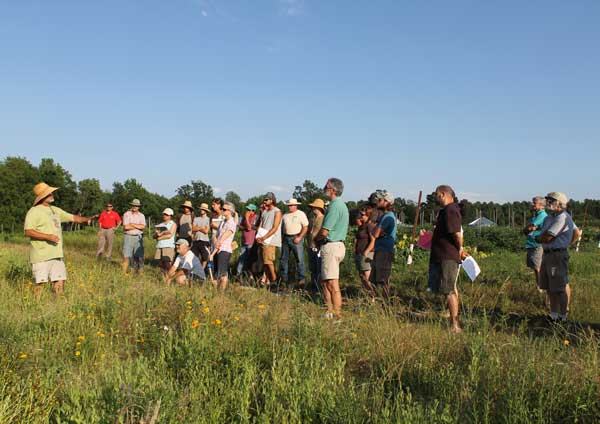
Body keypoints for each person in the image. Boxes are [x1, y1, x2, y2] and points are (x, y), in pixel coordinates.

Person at [24, 182, 94, 298]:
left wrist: (86, 219)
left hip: (56, 254)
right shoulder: (34, 211)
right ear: (43, 197)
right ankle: (35, 306)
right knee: (40, 284)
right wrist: (48, 236)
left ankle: (58, 305)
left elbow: (72, 217)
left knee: (60, 281)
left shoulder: (55, 210)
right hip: (41, 255)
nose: (52, 194)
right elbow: (28, 231)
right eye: (49, 193)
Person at [538, 192, 581, 322]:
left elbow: (547, 237)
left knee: (559, 287)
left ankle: (563, 317)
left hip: (557, 255)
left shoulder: (563, 217)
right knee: (550, 287)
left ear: (560, 204)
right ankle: (553, 315)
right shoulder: (549, 218)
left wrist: (567, 243)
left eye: (552, 200)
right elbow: (544, 236)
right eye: (548, 200)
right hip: (547, 254)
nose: (548, 203)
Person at [429, 185, 465, 333]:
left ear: (443, 194)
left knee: (449, 290)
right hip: (442, 256)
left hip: (448, 257)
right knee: (445, 289)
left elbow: (457, 234)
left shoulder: (451, 210)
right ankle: (451, 318)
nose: (436, 197)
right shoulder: (445, 211)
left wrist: (460, 249)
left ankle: (455, 326)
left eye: (437, 195)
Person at [315, 178, 349, 319]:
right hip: (337, 245)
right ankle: (330, 310)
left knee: (332, 282)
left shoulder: (335, 206)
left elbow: (324, 231)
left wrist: (314, 240)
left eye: (326, 186)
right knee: (326, 281)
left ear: (333, 190)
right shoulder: (341, 205)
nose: (324, 188)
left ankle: (337, 313)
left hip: (332, 245)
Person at [370, 190, 397, 299]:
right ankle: (379, 302)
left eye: (380, 200)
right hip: (381, 249)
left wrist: (375, 228)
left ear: (387, 202)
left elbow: (375, 233)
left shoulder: (387, 217)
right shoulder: (384, 216)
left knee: (383, 279)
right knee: (376, 279)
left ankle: (385, 303)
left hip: (384, 251)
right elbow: (375, 232)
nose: (378, 201)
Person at [280, 198, 309, 287]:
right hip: (286, 237)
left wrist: (300, 237)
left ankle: (301, 280)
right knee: (283, 259)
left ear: (296, 205)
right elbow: (282, 228)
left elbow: (305, 227)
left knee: (299, 260)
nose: (290, 207)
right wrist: (282, 238)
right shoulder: (285, 215)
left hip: (296, 237)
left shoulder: (301, 214)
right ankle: (283, 280)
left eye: (291, 205)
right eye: (289, 205)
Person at [255, 192, 283, 285]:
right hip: (263, 239)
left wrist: (264, 237)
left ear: (272, 200)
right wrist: (258, 237)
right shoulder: (264, 212)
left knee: (268, 261)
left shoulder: (277, 211)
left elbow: (275, 227)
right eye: (264, 199)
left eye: (266, 199)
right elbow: (261, 226)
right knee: (265, 262)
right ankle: (269, 281)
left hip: (271, 240)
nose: (265, 201)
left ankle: (275, 280)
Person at [523, 196, 548, 291]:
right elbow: (529, 229)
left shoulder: (542, 215)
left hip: (537, 245)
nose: (532, 204)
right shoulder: (536, 215)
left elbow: (529, 228)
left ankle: (541, 288)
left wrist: (526, 229)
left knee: (538, 268)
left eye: (534, 203)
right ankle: (539, 286)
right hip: (533, 244)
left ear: (542, 205)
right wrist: (527, 229)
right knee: (535, 267)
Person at [353, 207, 376, 299]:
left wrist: (366, 251)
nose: (361, 216)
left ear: (368, 216)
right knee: (362, 276)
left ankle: (372, 296)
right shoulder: (362, 226)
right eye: (360, 214)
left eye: (363, 215)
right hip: (359, 253)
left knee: (367, 277)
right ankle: (367, 295)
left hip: (366, 254)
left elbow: (373, 240)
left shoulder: (369, 226)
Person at [214, 201, 237, 290]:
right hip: (218, 249)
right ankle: (218, 292)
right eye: (222, 209)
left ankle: (221, 293)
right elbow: (216, 235)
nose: (222, 210)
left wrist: (213, 252)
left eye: (224, 209)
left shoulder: (231, 223)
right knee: (218, 273)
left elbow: (222, 238)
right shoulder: (223, 221)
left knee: (222, 273)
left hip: (224, 250)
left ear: (230, 211)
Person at [122, 199, 146, 274]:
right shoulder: (126, 214)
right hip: (128, 236)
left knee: (139, 256)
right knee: (126, 255)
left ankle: (138, 272)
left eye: (136, 205)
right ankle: (123, 273)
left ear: (139, 207)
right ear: (131, 205)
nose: (134, 207)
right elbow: (126, 227)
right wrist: (137, 226)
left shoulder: (142, 215)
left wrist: (132, 224)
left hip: (138, 237)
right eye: (133, 205)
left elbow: (143, 227)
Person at [307, 198, 326, 290]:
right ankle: (313, 285)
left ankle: (319, 287)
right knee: (312, 267)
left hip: (319, 246)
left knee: (319, 268)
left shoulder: (324, 219)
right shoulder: (312, 218)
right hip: (310, 245)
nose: (313, 208)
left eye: (314, 207)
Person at [236, 203, 258, 277]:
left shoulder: (255, 217)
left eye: (249, 210)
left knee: (248, 260)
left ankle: (248, 276)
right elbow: (241, 227)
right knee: (241, 259)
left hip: (251, 242)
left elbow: (249, 227)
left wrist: (247, 218)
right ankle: (238, 274)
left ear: (253, 211)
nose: (247, 211)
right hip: (244, 241)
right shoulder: (244, 218)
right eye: (247, 209)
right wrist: (242, 226)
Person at [153, 208, 177, 273]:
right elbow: (154, 236)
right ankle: (164, 278)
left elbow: (170, 235)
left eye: (166, 214)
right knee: (160, 264)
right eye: (164, 214)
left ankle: (170, 277)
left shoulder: (173, 224)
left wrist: (160, 237)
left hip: (168, 246)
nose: (164, 215)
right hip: (160, 246)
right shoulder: (160, 225)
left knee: (167, 264)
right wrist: (157, 235)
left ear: (170, 216)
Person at [192, 203, 211, 269]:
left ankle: (202, 271)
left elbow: (206, 231)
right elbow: (193, 229)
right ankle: (195, 271)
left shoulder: (208, 219)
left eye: (203, 209)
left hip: (204, 241)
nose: (201, 210)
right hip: (196, 240)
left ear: (206, 210)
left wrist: (198, 228)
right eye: (201, 209)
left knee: (205, 257)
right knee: (194, 257)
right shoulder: (196, 219)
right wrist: (202, 228)